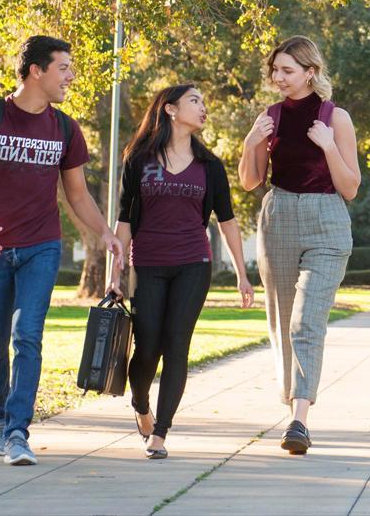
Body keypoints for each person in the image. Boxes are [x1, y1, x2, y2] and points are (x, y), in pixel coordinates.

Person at [0, 35, 122, 467]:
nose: (70, 77)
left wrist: (106, 233)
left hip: (43, 246)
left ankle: (18, 432)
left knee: (28, 337)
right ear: (36, 70)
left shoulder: (64, 128)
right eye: (64, 68)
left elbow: (77, 195)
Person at [112, 84, 254, 459]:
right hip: (147, 264)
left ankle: (160, 434)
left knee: (177, 347)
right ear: (171, 109)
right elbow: (124, 220)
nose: (203, 108)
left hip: (193, 263)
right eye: (195, 101)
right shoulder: (139, 159)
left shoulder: (209, 166)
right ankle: (141, 405)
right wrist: (116, 272)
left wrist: (242, 273)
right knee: (147, 351)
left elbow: (228, 221)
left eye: (204, 102)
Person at [237, 35, 360, 455]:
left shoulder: (335, 118)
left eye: (287, 70)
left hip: (327, 220)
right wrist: (251, 141)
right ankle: (293, 402)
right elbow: (250, 181)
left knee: (307, 320)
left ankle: (299, 420)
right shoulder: (268, 117)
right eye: (275, 70)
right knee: (283, 322)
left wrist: (327, 147)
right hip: (279, 217)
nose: (278, 78)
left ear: (311, 72)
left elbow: (350, 187)